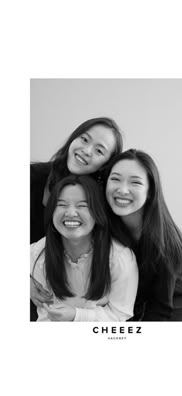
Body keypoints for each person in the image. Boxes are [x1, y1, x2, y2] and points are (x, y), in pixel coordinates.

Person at [30, 117, 123, 320]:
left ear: (105, 165)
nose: (87, 150)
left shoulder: (100, 202)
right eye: (84, 139)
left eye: (99, 150)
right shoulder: (32, 176)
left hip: (70, 303)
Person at [105, 149, 182, 321]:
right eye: (115, 179)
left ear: (150, 191)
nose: (122, 189)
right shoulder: (106, 218)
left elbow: (160, 309)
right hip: (144, 280)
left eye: (135, 183)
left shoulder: (163, 244)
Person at [30, 175, 138, 321]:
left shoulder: (119, 258)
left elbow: (118, 315)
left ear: (97, 213)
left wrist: (76, 315)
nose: (70, 213)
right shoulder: (40, 251)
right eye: (61, 205)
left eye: (82, 206)